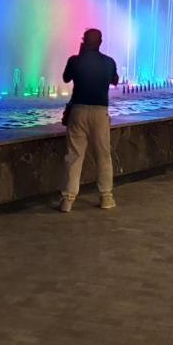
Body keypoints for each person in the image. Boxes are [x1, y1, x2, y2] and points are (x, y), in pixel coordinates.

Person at [57, 28, 119, 212]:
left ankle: (67, 200)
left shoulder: (75, 61)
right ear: (100, 42)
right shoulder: (108, 62)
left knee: (74, 155)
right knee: (103, 155)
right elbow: (115, 81)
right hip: (100, 112)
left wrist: (80, 54)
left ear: (84, 41)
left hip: (78, 111)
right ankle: (106, 197)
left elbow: (66, 78)